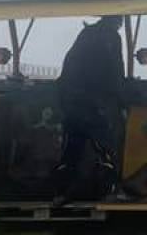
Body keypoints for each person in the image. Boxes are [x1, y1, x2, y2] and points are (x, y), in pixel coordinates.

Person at [53, 15, 125, 206]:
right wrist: (121, 97)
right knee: (107, 147)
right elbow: (115, 71)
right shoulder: (111, 38)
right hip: (94, 103)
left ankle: (62, 193)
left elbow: (69, 67)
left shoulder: (86, 34)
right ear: (117, 21)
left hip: (71, 102)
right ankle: (110, 190)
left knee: (71, 149)